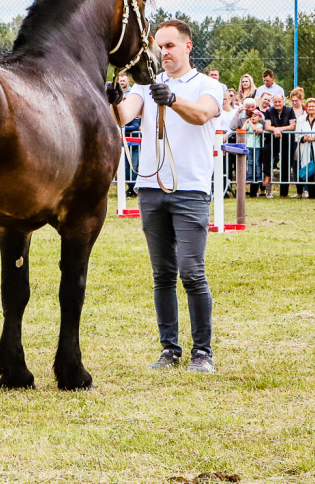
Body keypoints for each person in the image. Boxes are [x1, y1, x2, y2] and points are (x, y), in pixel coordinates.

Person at [112, 19, 224, 373]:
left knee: (192, 272)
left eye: (170, 46)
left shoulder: (208, 86)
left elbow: (203, 114)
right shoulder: (148, 86)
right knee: (162, 274)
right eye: (160, 46)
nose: (164, 52)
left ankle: (202, 352)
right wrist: (114, 99)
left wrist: (173, 100)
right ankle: (169, 349)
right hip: (150, 189)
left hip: (190, 189)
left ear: (188, 46)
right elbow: (123, 115)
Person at [262, 93, 296, 198]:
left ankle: (284, 193)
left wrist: (279, 129)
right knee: (266, 155)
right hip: (272, 139)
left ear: (283, 101)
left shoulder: (290, 110)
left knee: (286, 165)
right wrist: (274, 129)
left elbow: (293, 126)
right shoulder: (269, 111)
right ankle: (267, 177)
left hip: (287, 140)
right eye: (275, 102)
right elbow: (267, 126)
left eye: (279, 101)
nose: (277, 104)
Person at [244, 110, 265, 197]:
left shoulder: (259, 125)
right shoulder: (249, 124)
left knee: (256, 163)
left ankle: (258, 176)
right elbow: (243, 129)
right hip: (249, 146)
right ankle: (250, 176)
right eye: (252, 116)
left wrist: (250, 123)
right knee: (250, 162)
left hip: (256, 147)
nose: (253, 118)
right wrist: (246, 122)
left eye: (255, 116)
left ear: (259, 118)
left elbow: (255, 129)